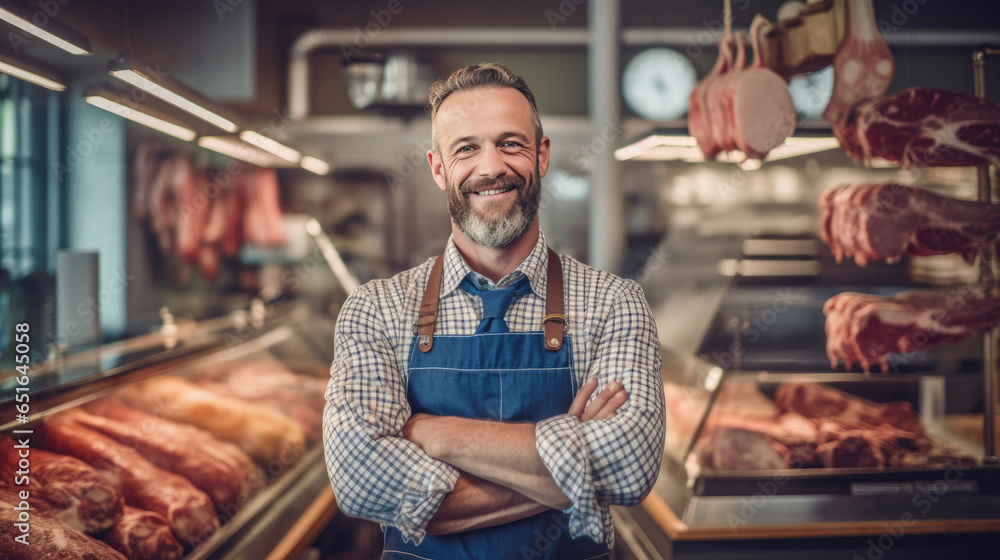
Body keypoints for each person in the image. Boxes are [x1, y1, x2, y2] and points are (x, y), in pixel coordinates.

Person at [324, 62, 665, 560]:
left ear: (541, 155)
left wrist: (434, 433)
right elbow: (359, 482)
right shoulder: (374, 309)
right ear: (439, 168)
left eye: (511, 143)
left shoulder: (615, 303)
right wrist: (572, 461)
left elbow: (630, 467)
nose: (490, 167)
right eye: (466, 148)